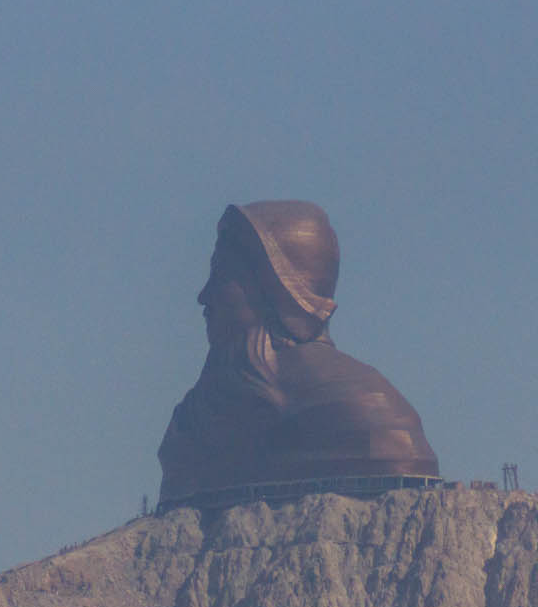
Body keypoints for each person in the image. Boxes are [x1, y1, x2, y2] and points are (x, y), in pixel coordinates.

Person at [157, 201, 439, 505]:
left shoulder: (363, 407)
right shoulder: (200, 412)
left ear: (275, 289)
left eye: (222, 277)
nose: (204, 296)